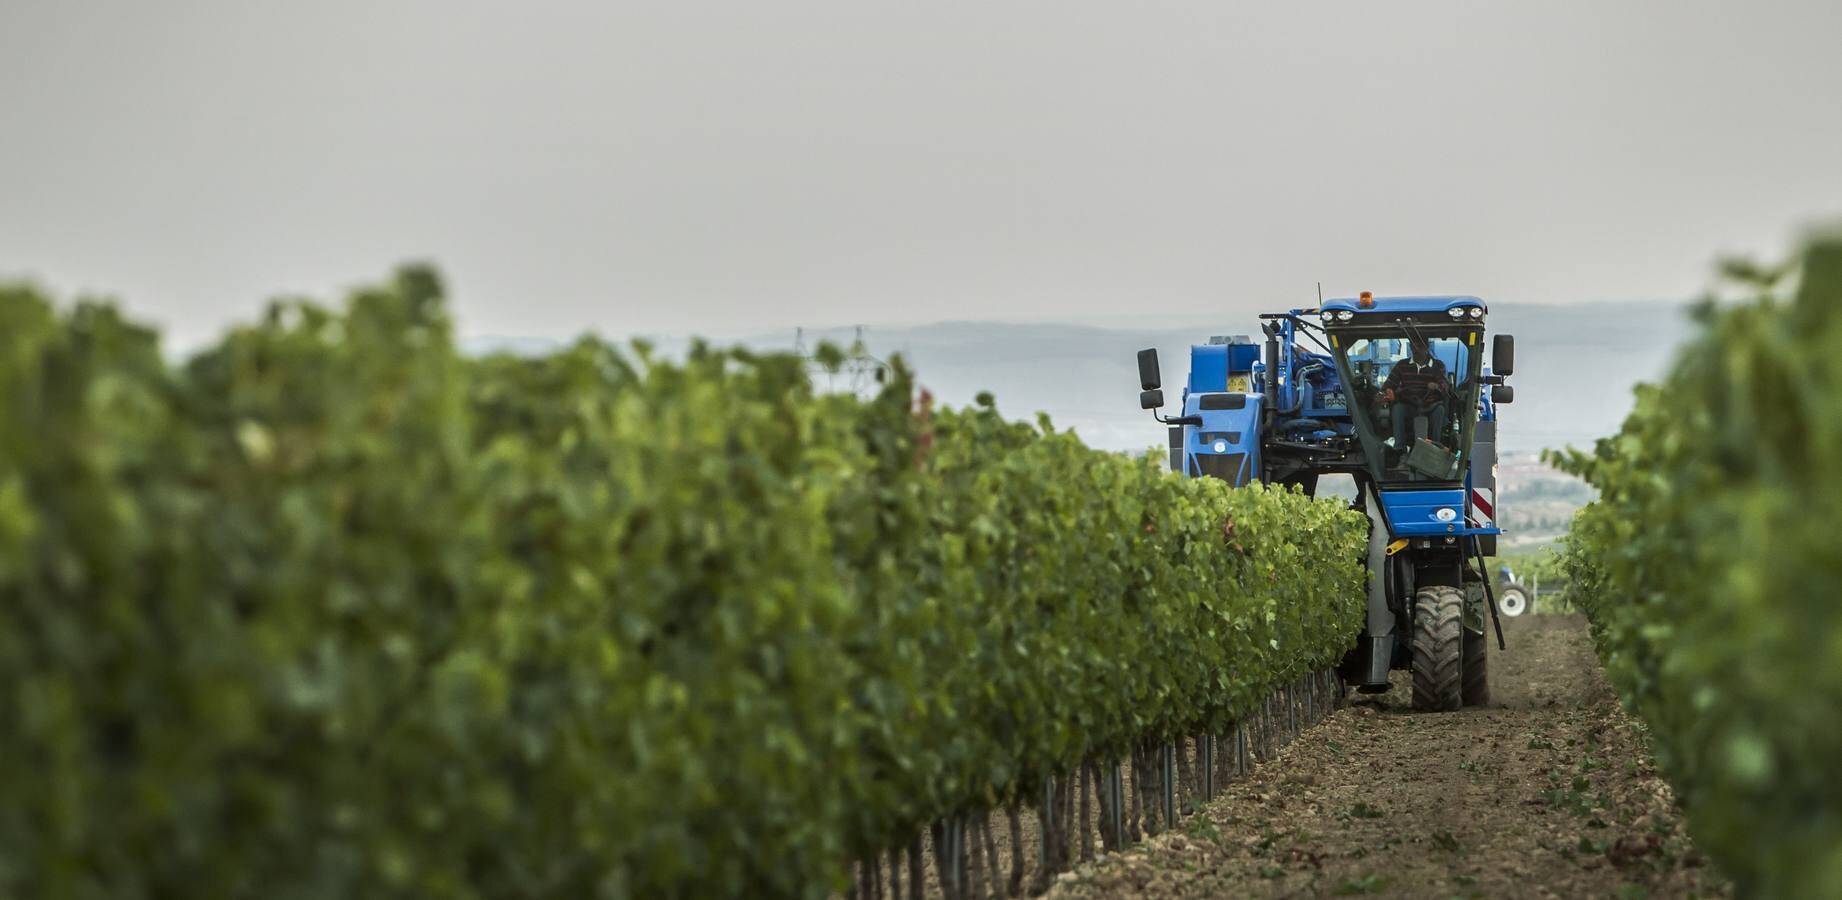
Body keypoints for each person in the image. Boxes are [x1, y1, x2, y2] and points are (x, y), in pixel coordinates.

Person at [1380, 340, 1453, 450]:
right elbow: (1388, 384)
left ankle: (1435, 449)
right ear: (1411, 347)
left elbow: (1445, 387)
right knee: (1397, 409)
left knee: (1440, 411)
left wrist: (1436, 386)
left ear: (1426, 348)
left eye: (1419, 346)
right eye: (1413, 346)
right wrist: (1387, 391)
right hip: (1409, 404)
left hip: (1431, 405)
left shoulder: (1437, 366)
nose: (1416, 349)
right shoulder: (1402, 365)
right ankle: (1400, 449)